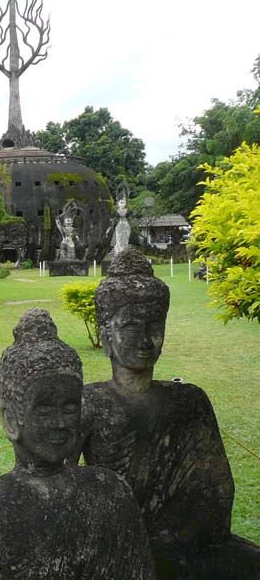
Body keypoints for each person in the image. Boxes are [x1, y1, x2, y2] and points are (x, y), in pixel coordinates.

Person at [76, 248, 260, 579]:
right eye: (131, 325)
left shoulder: (190, 400)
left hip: (188, 548)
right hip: (121, 549)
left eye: (155, 324)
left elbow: (218, 495)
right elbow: (65, 498)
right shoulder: (89, 403)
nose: (146, 339)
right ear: (105, 333)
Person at [0, 309, 156, 579]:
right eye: (43, 410)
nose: (59, 423)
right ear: (11, 419)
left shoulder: (110, 490)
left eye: (70, 408)